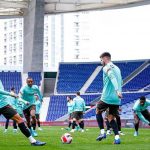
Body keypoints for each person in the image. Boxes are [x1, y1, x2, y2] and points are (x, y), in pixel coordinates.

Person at [0, 80, 46, 146]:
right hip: (2, 104)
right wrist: (10, 93)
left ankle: (33, 139)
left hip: (4, 104)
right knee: (20, 120)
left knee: (20, 120)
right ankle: (33, 141)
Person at [96, 52, 122, 144]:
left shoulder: (106, 67)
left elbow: (112, 77)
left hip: (107, 97)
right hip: (116, 99)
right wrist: (119, 92)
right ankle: (117, 138)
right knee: (111, 118)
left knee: (98, 111)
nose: (101, 62)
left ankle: (102, 132)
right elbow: (120, 81)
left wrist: (116, 90)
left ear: (105, 58)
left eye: (101, 60)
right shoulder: (118, 68)